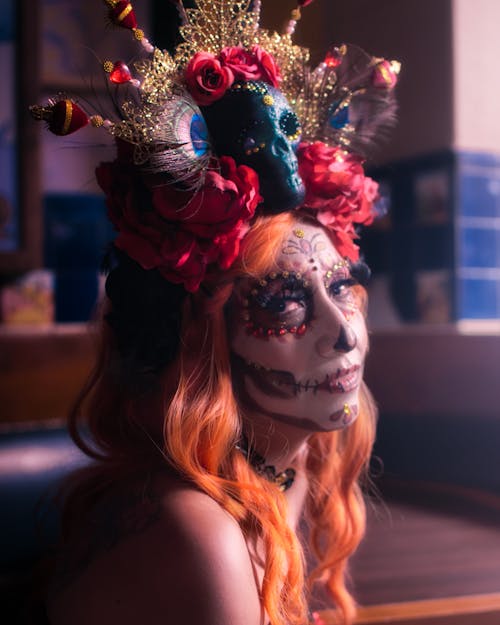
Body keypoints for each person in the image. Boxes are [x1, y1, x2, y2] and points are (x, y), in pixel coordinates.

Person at [31, 1, 399, 624]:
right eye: (284, 302)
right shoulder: (198, 533)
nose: (343, 335)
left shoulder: (289, 464)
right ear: (203, 339)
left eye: (341, 289)